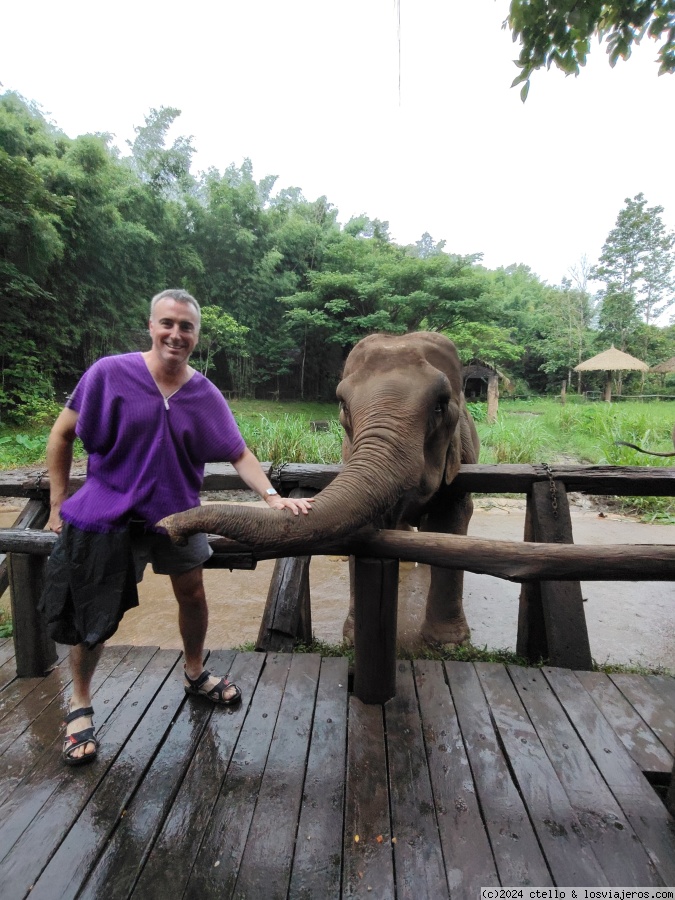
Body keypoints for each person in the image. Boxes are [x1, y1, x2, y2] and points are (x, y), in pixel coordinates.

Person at [40, 288, 313, 766]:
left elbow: (239, 452)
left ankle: (194, 671)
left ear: (196, 335)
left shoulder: (202, 392)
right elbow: (61, 435)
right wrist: (58, 502)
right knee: (94, 612)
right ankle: (79, 703)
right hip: (109, 516)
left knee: (193, 595)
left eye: (186, 327)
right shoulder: (109, 373)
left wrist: (272, 497)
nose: (176, 334)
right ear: (150, 326)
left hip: (179, 518)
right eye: (167, 323)